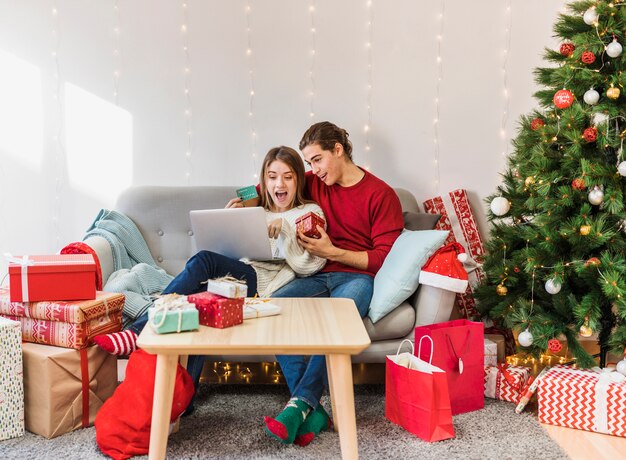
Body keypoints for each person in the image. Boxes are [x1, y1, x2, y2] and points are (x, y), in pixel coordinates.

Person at [94, 146, 327, 391]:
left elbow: (308, 266)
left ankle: (139, 329)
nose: (280, 183)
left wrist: (287, 230)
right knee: (196, 304)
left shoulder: (310, 212)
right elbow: (231, 253)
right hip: (236, 276)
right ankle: (185, 398)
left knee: (204, 260)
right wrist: (229, 222)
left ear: (298, 180)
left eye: (288, 176)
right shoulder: (257, 211)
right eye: (272, 176)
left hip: (260, 282)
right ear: (265, 181)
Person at [263, 121, 404, 446]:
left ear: (337, 150)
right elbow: (271, 184)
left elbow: (383, 258)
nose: (312, 169)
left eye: (316, 160)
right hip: (315, 275)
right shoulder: (316, 182)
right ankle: (311, 409)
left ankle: (298, 404)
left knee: (338, 320)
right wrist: (242, 203)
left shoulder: (381, 195)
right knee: (276, 309)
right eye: (309, 163)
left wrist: (332, 251)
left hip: (356, 278)